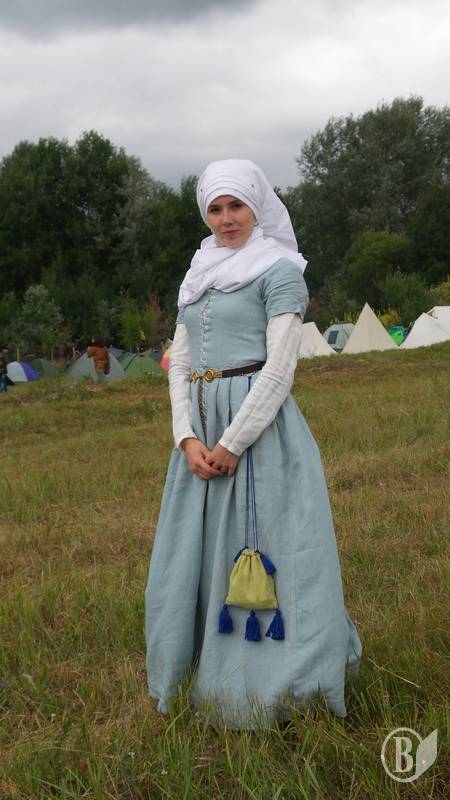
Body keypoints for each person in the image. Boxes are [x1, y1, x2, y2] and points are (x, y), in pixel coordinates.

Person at [144, 159, 362, 730]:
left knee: (276, 549)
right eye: (215, 208)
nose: (226, 219)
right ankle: (191, 669)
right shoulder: (199, 272)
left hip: (259, 436)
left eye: (236, 205)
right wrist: (186, 437)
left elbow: (280, 369)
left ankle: (283, 686)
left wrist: (233, 442)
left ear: (257, 206)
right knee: (192, 557)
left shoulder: (280, 270)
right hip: (199, 436)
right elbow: (180, 363)